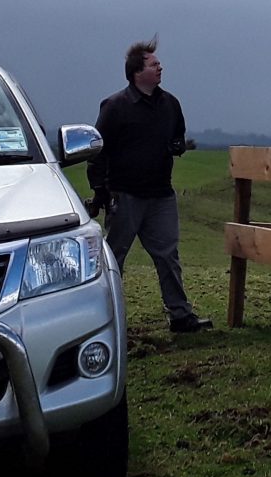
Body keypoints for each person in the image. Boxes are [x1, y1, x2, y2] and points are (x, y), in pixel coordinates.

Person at [86, 38, 212, 334]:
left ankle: (180, 316)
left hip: (160, 195)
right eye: (154, 64)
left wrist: (177, 146)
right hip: (124, 195)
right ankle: (101, 318)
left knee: (168, 256)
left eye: (159, 64)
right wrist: (100, 191)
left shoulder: (170, 104)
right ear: (136, 72)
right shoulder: (115, 106)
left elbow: (177, 137)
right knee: (113, 258)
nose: (160, 67)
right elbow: (97, 151)